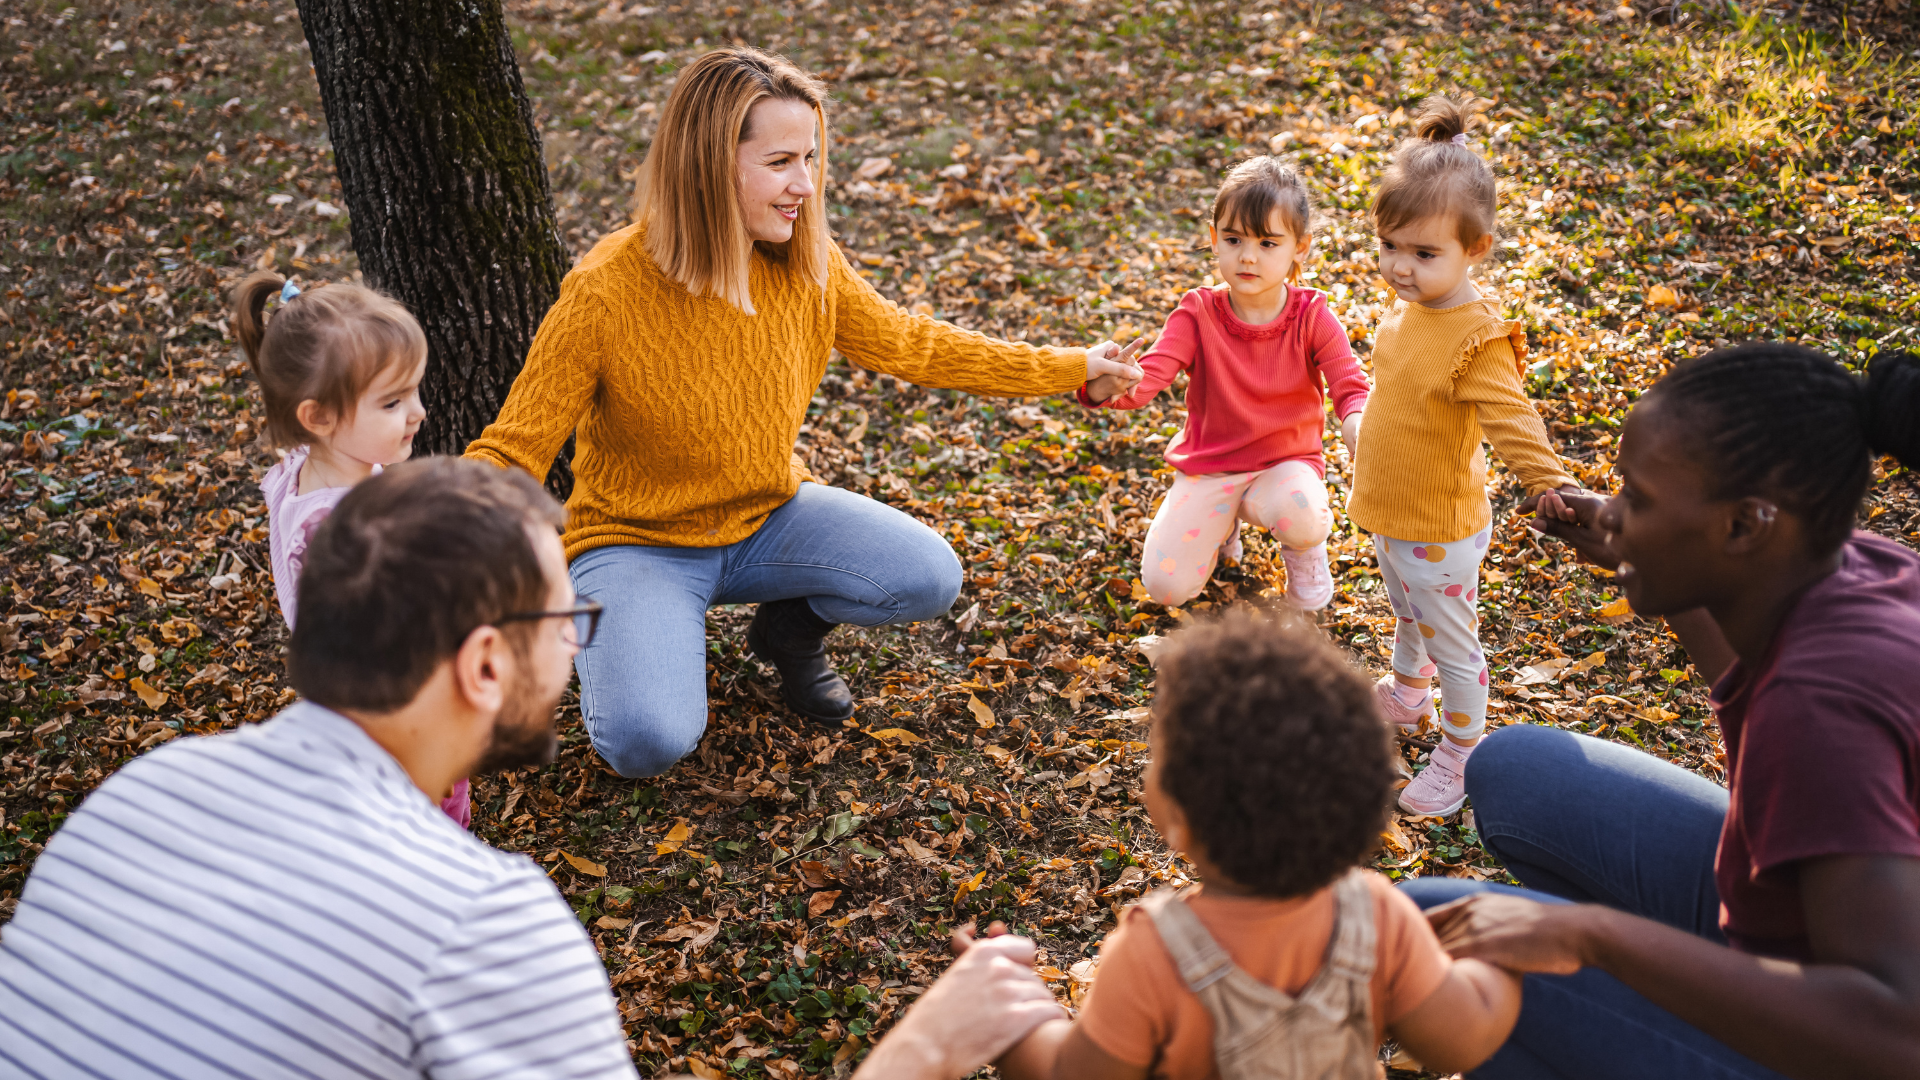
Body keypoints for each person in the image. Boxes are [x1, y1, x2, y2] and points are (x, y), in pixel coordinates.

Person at [464, 46, 1143, 779]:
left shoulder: (807, 263)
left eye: (812, 158)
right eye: (783, 161)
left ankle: (788, 631)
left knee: (926, 575)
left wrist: (1071, 367)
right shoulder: (607, 291)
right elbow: (516, 445)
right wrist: (430, 536)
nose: (806, 186)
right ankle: (647, 630)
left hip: (766, 517)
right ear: (710, 163)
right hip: (639, 542)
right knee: (646, 744)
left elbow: (913, 345)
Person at [0, 458, 632, 1078]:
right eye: (563, 622)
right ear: (486, 665)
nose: (572, 649)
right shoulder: (482, 921)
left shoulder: (137, 797)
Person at [1401, 344, 1920, 1079]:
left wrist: (1591, 936)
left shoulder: (1823, 707)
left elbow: (1897, 1032)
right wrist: (1637, 552)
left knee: (1423, 929)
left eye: (1639, 499)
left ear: (1745, 526)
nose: (1618, 514)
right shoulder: (1855, 564)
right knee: (1515, 770)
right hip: (1793, 929)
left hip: (1844, 1040)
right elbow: (1751, 679)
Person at [994, 607, 1521, 1080]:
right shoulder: (1378, 916)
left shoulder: (1151, 957)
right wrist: (1500, 959)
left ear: (1176, 821)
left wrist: (1014, 1010)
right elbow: (1462, 1043)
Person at [1345, 95, 1583, 816]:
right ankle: (1408, 694)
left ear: (1474, 249)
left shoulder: (1476, 337)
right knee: (1406, 613)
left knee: (1454, 643)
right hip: (1394, 512)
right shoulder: (1413, 309)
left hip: (1439, 528)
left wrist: (1551, 480)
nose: (1399, 267)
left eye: (1422, 253)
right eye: (1390, 247)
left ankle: (1463, 750)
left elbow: (1512, 419)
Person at [232, 270, 470, 827]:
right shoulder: (337, 531)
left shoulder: (310, 472)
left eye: (414, 391)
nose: (418, 412)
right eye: (392, 403)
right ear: (319, 417)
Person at [1078, 157, 1368, 611]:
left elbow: (1348, 382)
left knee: (1304, 514)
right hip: (1211, 464)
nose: (1248, 256)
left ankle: (1305, 555)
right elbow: (1146, 379)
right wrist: (1104, 387)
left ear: (1300, 247)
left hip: (1283, 464)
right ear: (1214, 239)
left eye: (1268, 243)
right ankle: (1221, 527)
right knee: (1166, 588)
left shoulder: (1312, 316)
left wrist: (1356, 423)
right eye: (1233, 240)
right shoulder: (1197, 313)